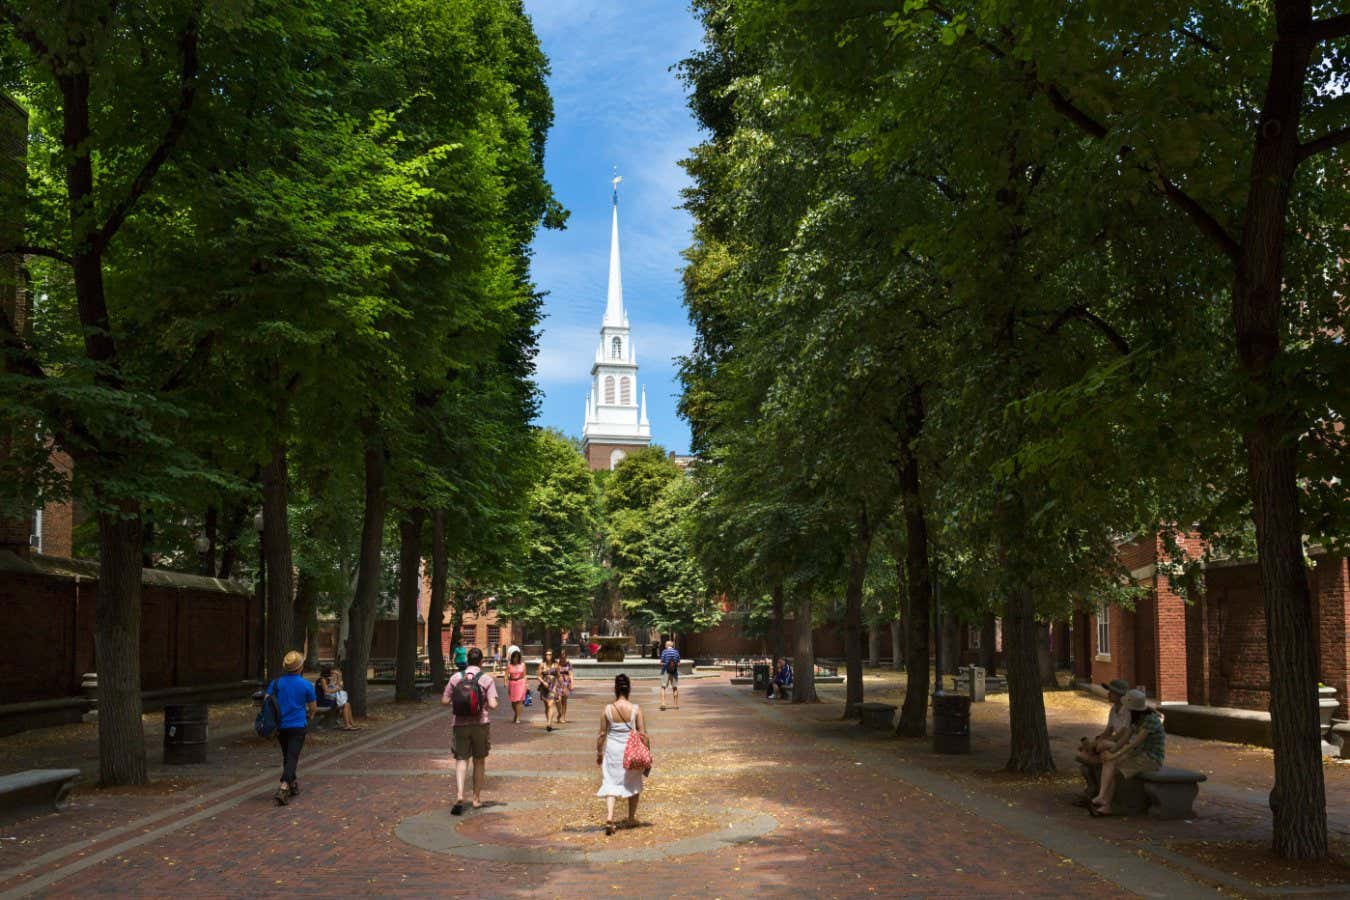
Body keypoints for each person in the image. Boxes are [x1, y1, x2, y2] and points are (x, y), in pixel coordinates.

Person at [441, 647, 499, 815]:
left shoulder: (456, 677)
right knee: (479, 761)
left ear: (467, 660)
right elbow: (493, 705)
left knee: (461, 759)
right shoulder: (486, 679)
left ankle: (460, 795)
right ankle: (476, 798)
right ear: (481, 661)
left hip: (460, 724)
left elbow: (444, 700)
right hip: (480, 724)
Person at [1090, 689, 1166, 816]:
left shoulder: (1150, 720)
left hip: (1151, 759)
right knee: (1109, 762)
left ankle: (1104, 800)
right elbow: (1125, 739)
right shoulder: (1135, 719)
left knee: (1113, 766)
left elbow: (1134, 743)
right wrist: (1111, 752)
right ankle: (1103, 800)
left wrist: (1115, 755)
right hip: (1138, 754)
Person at [596, 673, 649, 835]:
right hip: (631, 751)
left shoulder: (608, 709)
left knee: (610, 781)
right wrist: (647, 753)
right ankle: (631, 817)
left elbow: (602, 734)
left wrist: (599, 752)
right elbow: (643, 735)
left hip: (612, 750)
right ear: (629, 689)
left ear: (615, 689)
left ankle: (610, 817)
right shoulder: (636, 709)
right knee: (633, 782)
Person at [271, 650, 316, 806]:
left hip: (280, 726)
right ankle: (284, 786)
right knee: (292, 756)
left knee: (287, 755)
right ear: (301, 667)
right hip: (298, 725)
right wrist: (310, 716)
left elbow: (268, 701)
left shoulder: (276, 684)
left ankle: (293, 783)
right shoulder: (306, 685)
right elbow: (313, 707)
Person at [1075, 679, 1132, 802]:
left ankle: (1100, 794)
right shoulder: (1113, 709)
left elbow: (1121, 735)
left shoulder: (1128, 711)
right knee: (1082, 758)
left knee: (1101, 751)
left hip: (1126, 745)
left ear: (1120, 695)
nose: (1108, 694)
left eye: (1111, 692)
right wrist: (1094, 742)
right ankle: (1092, 789)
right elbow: (1108, 731)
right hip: (1114, 744)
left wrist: (1097, 744)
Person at [315, 665, 359, 730]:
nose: (333, 674)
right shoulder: (322, 679)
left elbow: (339, 686)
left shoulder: (328, 679)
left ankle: (352, 723)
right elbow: (326, 691)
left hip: (328, 700)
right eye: (332, 672)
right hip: (323, 701)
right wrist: (336, 689)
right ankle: (347, 725)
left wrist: (338, 676)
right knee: (345, 705)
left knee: (347, 704)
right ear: (327, 672)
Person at [537, 648, 559, 731]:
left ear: (552, 656)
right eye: (546, 654)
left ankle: (549, 724)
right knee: (546, 706)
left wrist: (557, 687)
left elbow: (558, 676)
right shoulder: (542, 665)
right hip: (544, 687)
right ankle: (548, 721)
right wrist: (543, 682)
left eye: (549, 654)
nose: (548, 656)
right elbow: (538, 676)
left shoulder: (556, 665)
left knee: (550, 704)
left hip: (553, 687)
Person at [506, 648, 527, 723]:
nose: (516, 659)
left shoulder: (523, 665)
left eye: (517, 657)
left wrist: (526, 685)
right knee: (513, 702)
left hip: (521, 683)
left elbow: (525, 675)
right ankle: (516, 713)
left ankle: (518, 717)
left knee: (519, 701)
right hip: (512, 684)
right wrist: (505, 682)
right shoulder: (509, 665)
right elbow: (506, 674)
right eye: (514, 657)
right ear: (512, 658)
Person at [659, 640, 680, 710]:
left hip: (665, 671)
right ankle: (676, 705)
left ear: (667, 645)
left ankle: (663, 703)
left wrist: (665, 664)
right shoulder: (676, 652)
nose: (665, 646)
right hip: (674, 672)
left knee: (663, 687)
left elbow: (661, 662)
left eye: (665, 645)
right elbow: (678, 663)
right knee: (675, 688)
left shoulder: (664, 652)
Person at [556, 650, 574, 724]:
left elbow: (571, 674)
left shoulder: (568, 664)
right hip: (558, 683)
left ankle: (563, 717)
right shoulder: (557, 663)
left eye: (564, 657)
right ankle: (559, 713)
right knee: (558, 700)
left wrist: (572, 683)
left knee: (564, 701)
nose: (562, 658)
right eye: (561, 657)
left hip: (566, 683)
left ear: (566, 656)